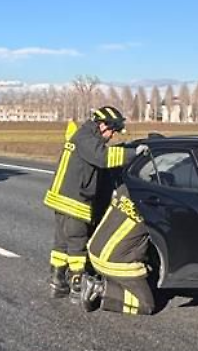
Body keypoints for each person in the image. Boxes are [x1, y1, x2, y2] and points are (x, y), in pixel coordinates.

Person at [43, 106, 144, 302]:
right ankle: (78, 287)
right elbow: (104, 158)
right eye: (113, 131)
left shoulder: (83, 136)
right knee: (77, 245)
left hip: (61, 199)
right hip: (74, 201)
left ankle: (57, 283)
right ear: (103, 125)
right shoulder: (87, 139)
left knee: (61, 244)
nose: (112, 135)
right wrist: (133, 154)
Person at [80, 184, 157, 315]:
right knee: (146, 304)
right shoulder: (157, 205)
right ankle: (100, 289)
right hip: (115, 262)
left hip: (94, 250)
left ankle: (103, 280)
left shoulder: (126, 186)